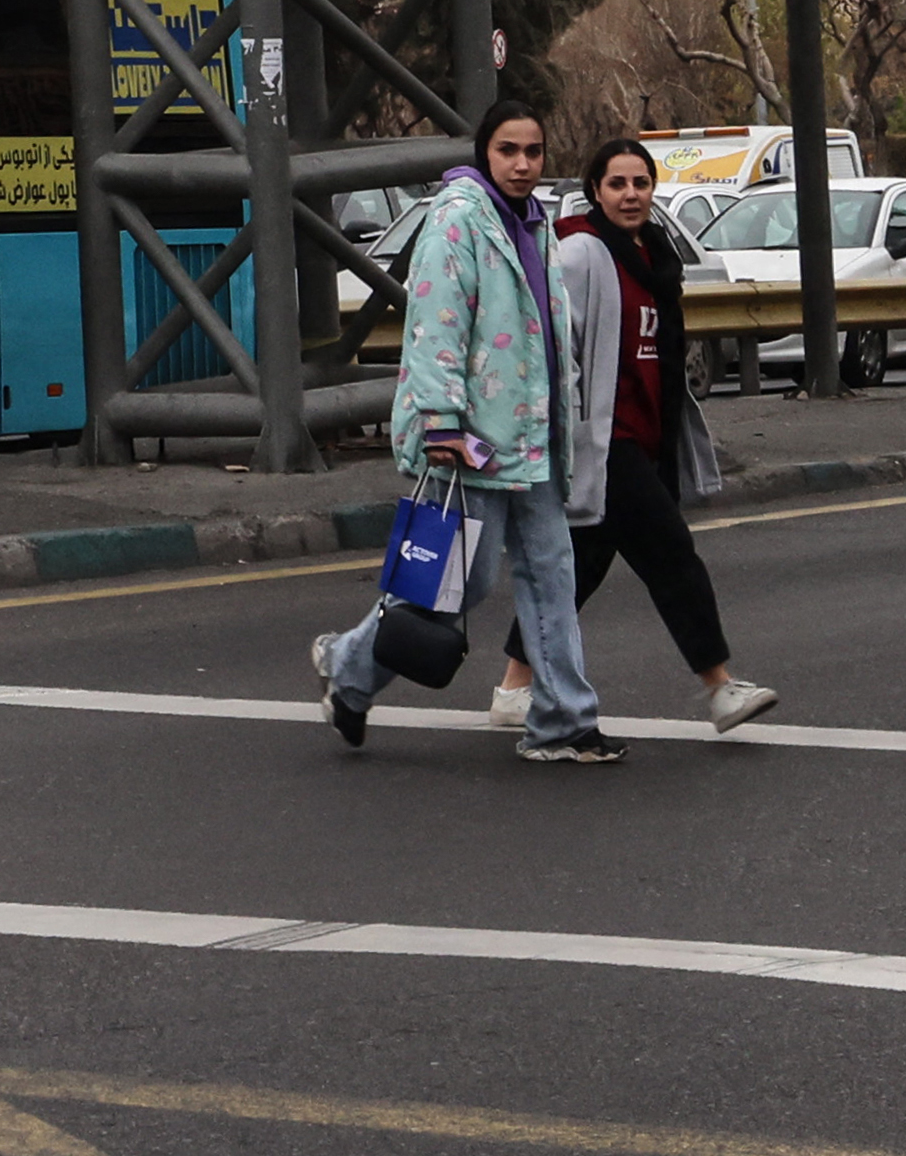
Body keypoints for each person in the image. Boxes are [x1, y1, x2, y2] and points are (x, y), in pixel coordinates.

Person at [319, 97, 608, 763]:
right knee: (456, 586)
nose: (522, 164)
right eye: (508, 150)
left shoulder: (534, 223)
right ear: (486, 153)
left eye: (533, 151)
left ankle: (563, 720)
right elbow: (433, 324)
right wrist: (442, 421)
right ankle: (349, 666)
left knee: (551, 576)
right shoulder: (459, 219)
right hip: (474, 440)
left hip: (531, 436)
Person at [497, 139, 779, 739]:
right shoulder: (582, 252)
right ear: (595, 191)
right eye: (617, 184)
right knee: (671, 553)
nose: (630, 195)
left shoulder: (653, 256)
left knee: (582, 566)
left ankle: (513, 688)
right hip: (605, 438)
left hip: (645, 435)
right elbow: (553, 342)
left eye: (640, 184)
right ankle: (720, 684)